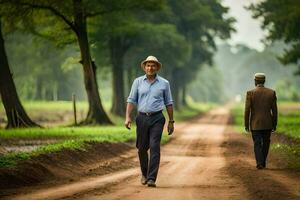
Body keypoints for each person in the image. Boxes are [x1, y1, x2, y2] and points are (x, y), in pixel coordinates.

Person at [125, 55, 174, 187]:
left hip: (157, 118)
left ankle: (152, 178)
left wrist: (171, 121)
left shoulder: (164, 83)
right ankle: (144, 174)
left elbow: (169, 102)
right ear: (144, 67)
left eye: (153, 65)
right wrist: (128, 117)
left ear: (157, 67)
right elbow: (131, 100)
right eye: (148, 65)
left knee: (154, 146)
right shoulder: (138, 82)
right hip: (141, 118)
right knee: (141, 149)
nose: (150, 67)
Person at [244, 73, 278, 169]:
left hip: (255, 124)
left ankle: (259, 162)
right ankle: (262, 162)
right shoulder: (271, 93)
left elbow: (247, 110)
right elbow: (275, 111)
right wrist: (274, 123)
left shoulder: (250, 93)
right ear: (264, 81)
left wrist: (246, 124)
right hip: (268, 123)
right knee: (266, 143)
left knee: (257, 143)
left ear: (255, 81)